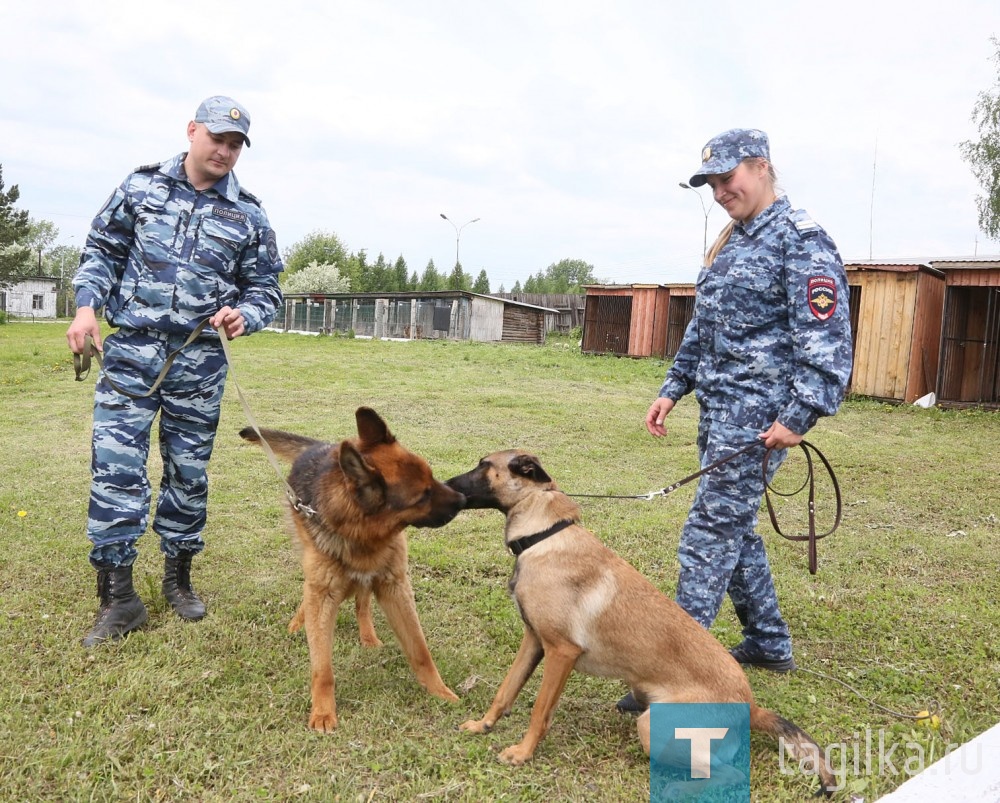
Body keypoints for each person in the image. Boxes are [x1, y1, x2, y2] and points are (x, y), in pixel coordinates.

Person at [618, 128, 852, 712]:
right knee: (735, 529)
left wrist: (798, 416)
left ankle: (669, 674)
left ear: (762, 168)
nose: (721, 191)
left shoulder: (801, 242)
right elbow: (703, 327)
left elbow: (827, 345)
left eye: (729, 178)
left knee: (707, 536)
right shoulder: (732, 241)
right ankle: (770, 642)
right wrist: (674, 388)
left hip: (759, 425)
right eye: (713, 183)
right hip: (718, 413)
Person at [66, 95, 284, 648]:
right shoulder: (141, 188)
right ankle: (118, 598)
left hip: (200, 360)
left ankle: (178, 577)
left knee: (189, 475)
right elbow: (101, 250)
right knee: (116, 470)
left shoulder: (249, 215)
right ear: (192, 131)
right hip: (132, 355)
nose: (226, 150)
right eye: (217, 138)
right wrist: (86, 305)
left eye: (236, 144)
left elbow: (266, 289)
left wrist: (246, 314)